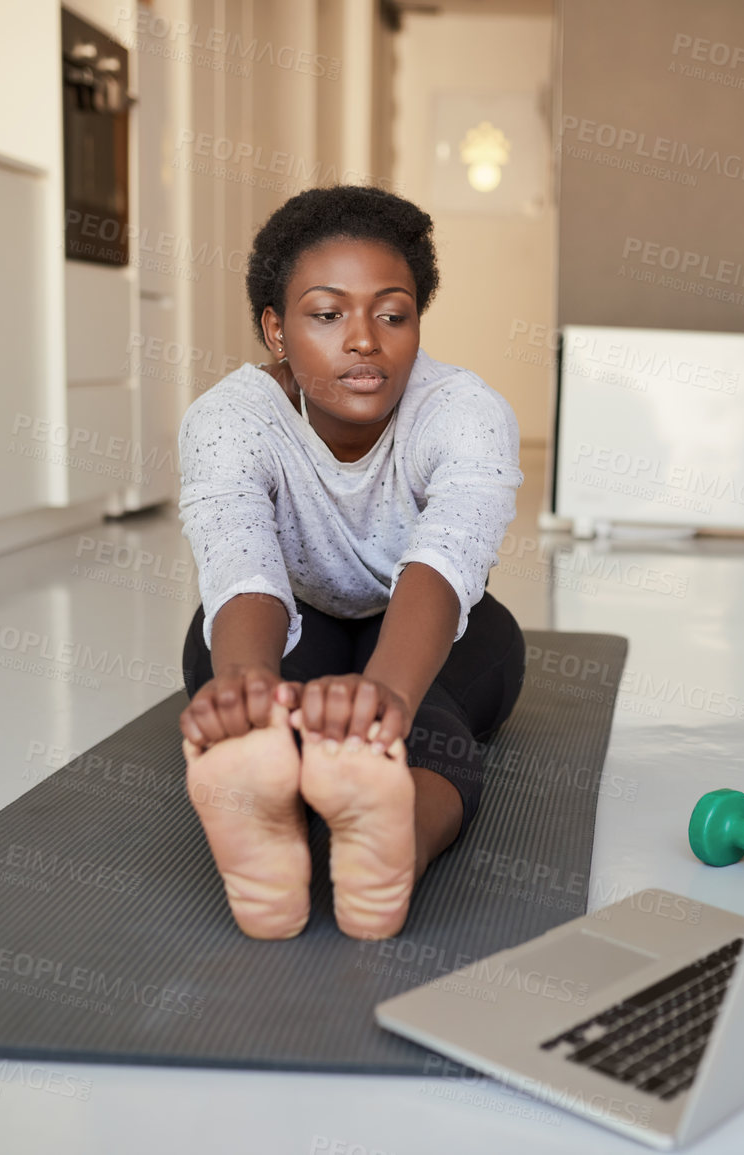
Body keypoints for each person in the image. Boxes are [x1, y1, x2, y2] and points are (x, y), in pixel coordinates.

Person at [176, 185, 525, 942]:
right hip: (289, 617)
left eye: (391, 314)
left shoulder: (467, 411)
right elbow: (241, 561)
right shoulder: (227, 420)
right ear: (276, 329)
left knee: (427, 722)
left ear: (417, 324)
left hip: (436, 623)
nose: (364, 338)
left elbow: (445, 558)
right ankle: (264, 793)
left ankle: (394, 839)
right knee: (252, 698)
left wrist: (386, 702)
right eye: (327, 314)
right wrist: (246, 692)